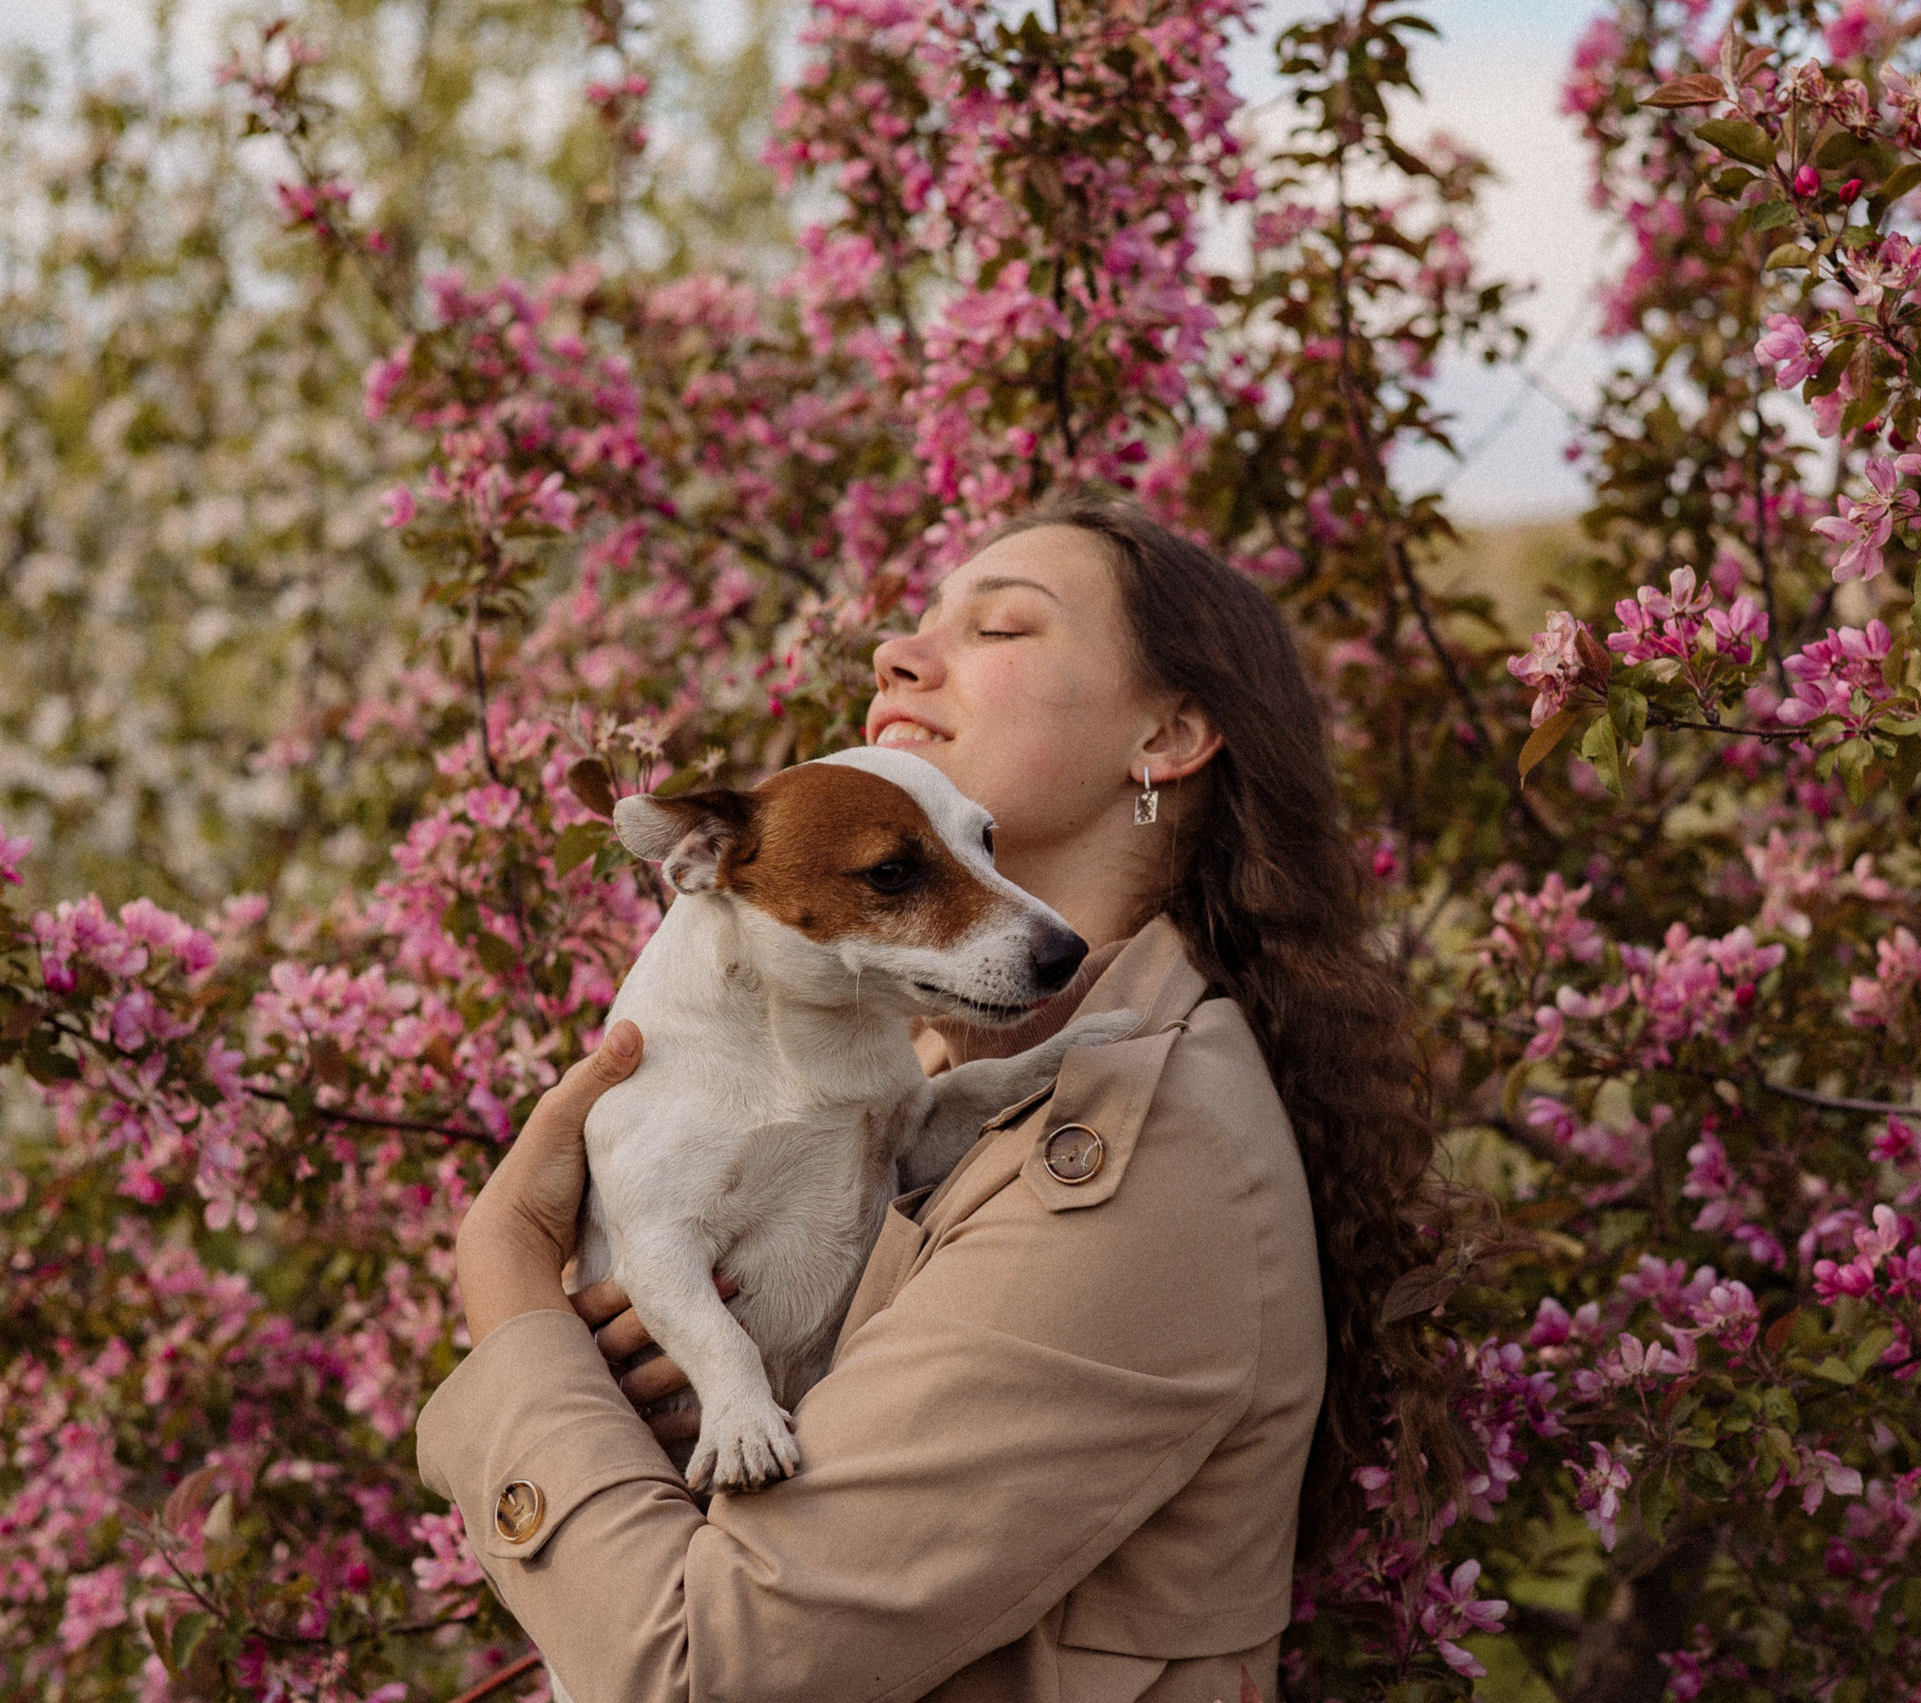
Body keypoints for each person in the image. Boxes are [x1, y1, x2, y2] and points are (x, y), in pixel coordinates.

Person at [418, 495, 1451, 1703]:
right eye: (911, 625)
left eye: (1001, 627)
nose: (896, 653)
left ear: (1166, 735)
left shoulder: (1142, 1147)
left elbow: (702, 1672)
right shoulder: (926, 1065)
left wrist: (505, 1277)